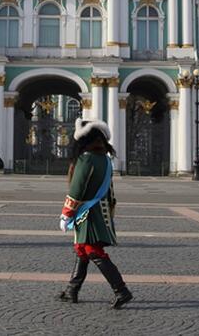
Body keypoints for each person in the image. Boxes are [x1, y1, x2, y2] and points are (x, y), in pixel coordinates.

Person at [58, 118, 132, 309]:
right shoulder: (106, 160)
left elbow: (77, 189)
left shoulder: (85, 159)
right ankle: (71, 290)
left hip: (87, 213)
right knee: (82, 248)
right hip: (102, 210)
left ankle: (121, 290)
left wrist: (67, 213)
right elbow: (110, 190)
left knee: (92, 250)